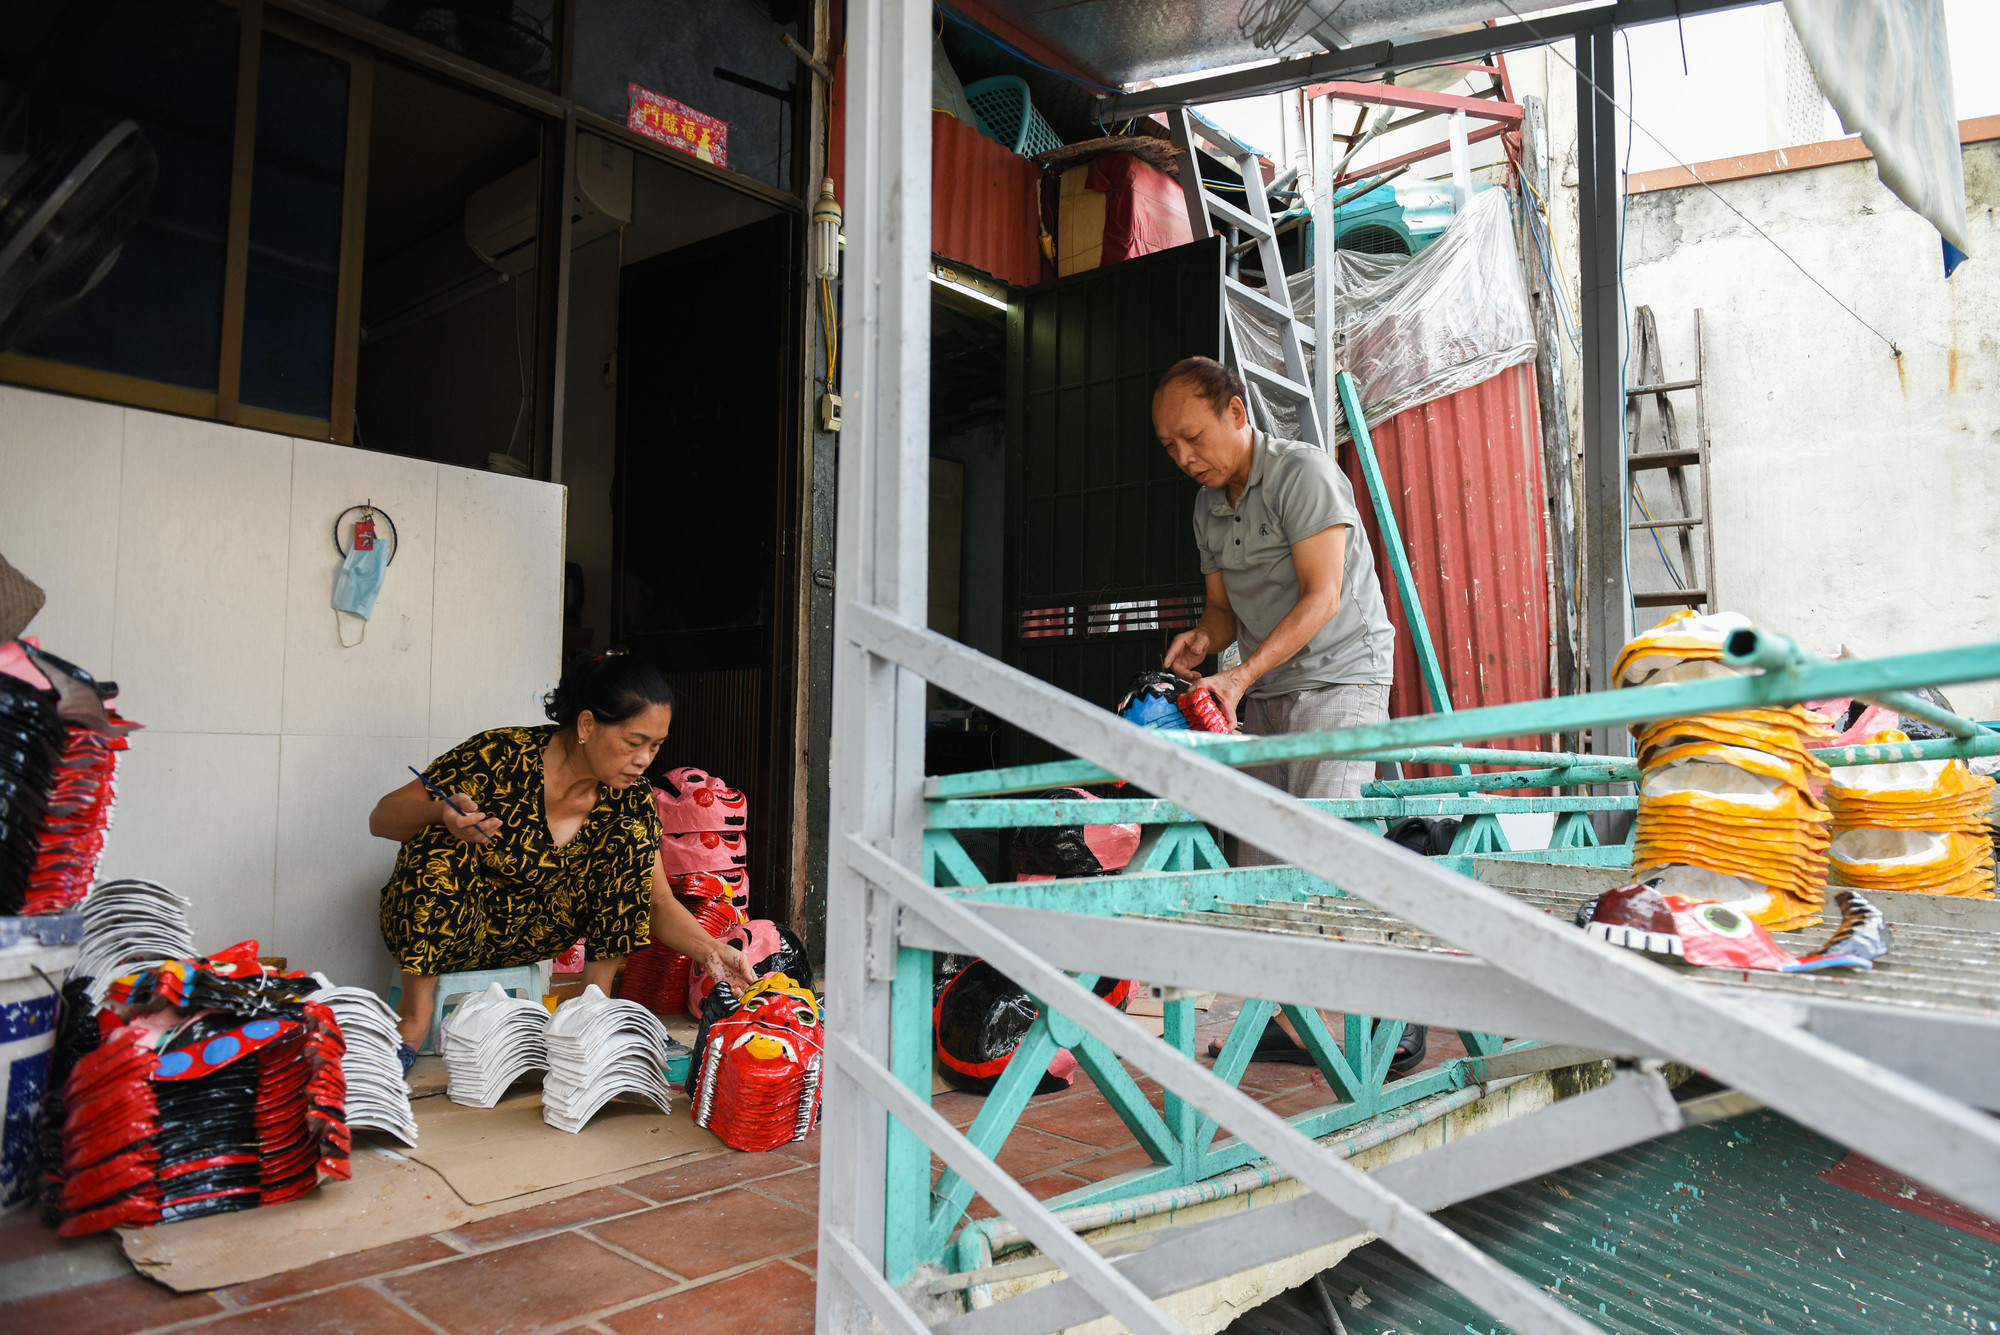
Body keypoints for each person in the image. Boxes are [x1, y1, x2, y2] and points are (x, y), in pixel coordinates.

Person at [1154, 356, 1425, 1073]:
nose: (1184, 457)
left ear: (1237, 414)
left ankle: (1395, 1016)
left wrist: (1238, 671)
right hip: (1266, 686)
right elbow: (1222, 610)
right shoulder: (1205, 508)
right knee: (1264, 861)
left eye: (1193, 436)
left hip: (1342, 672)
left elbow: (1323, 596)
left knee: (1328, 848)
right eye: (1170, 447)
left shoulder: (1303, 474)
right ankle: (1282, 1018)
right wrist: (1204, 639)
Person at [369, 652, 757, 1067]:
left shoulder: (631, 800)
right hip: (447, 929)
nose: (644, 759)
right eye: (633, 742)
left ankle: (592, 1007)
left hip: (531, 939)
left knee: (627, 836)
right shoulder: (499, 757)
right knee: (439, 842)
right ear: (587, 725)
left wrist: (713, 951)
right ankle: (414, 1017)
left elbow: (658, 902)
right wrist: (440, 814)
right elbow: (382, 818)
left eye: (656, 746)